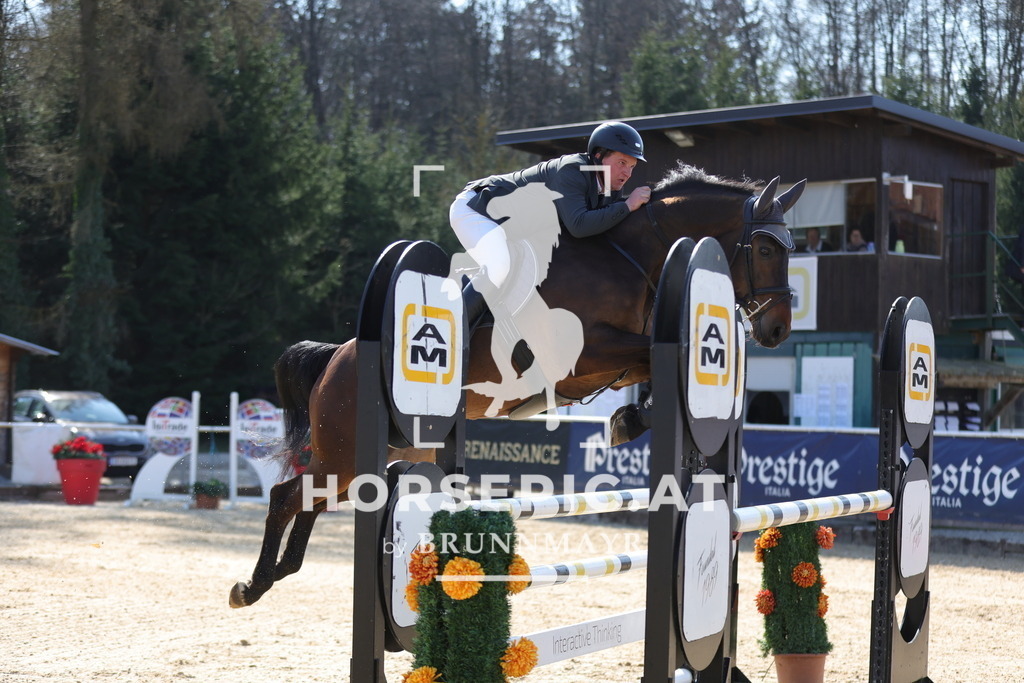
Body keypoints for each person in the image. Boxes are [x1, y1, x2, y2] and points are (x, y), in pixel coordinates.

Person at [449, 121, 652, 293]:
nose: (627, 173)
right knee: (500, 265)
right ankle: (460, 321)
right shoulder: (572, 170)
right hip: (476, 210)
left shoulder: (608, 186)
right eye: (622, 162)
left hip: (509, 227)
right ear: (598, 155)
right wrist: (627, 205)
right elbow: (579, 226)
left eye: (632, 166)